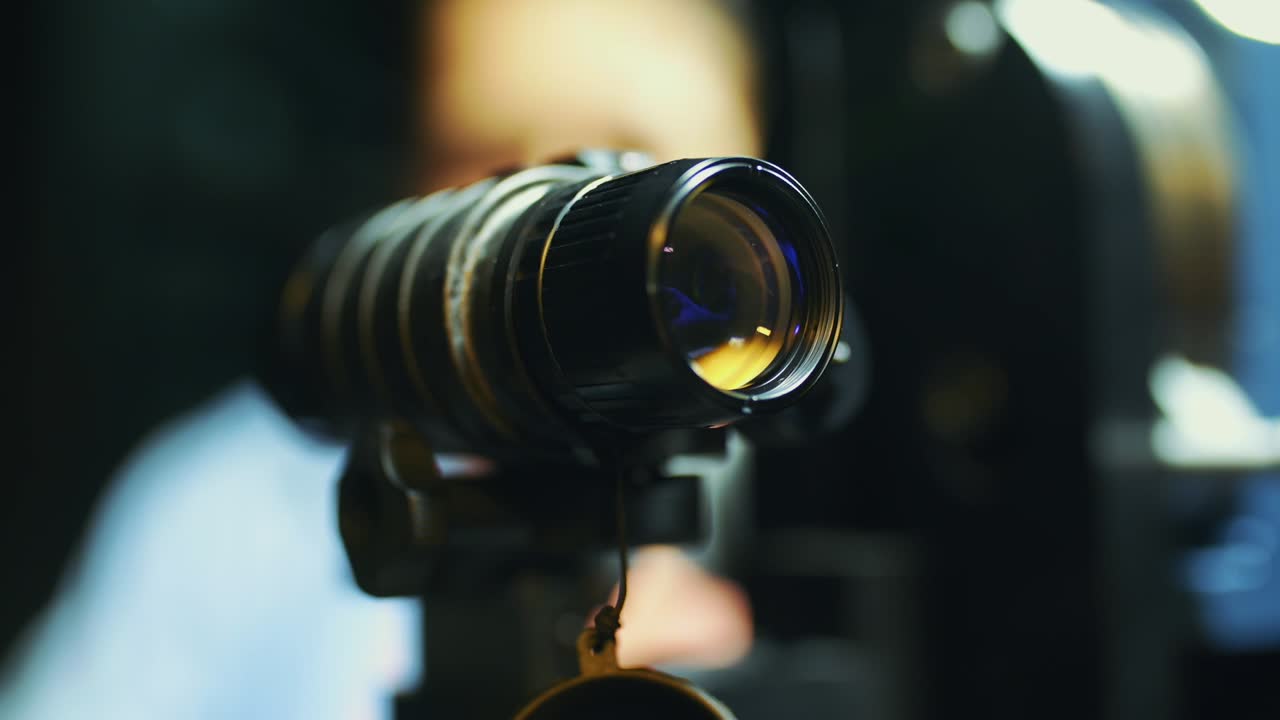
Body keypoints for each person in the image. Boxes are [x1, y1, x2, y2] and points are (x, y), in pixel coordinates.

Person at [3, 1, 760, 717]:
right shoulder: (237, 505)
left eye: (623, 172)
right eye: (487, 160)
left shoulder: (760, 434)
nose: (550, 226)